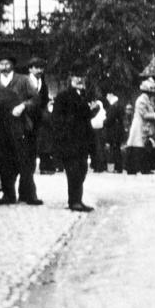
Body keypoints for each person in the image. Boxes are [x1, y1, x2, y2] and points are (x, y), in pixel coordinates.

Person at [0, 56, 46, 205]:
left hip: (20, 125)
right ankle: (8, 195)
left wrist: (23, 106)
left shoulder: (23, 80)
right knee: (4, 162)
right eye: (1, 63)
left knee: (24, 161)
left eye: (7, 63)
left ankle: (28, 195)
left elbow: (36, 99)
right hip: (0, 127)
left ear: (12, 65)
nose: (4, 66)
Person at [51, 65, 104, 212]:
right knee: (73, 172)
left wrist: (92, 111)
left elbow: (86, 117)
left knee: (82, 169)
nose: (79, 80)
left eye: (81, 77)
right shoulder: (63, 96)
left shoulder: (85, 95)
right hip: (70, 140)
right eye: (76, 77)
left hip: (83, 140)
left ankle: (77, 199)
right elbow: (56, 119)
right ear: (70, 78)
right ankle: (74, 201)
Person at [125, 78, 155, 174]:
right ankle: (136, 168)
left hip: (144, 126)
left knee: (144, 147)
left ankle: (144, 168)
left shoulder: (148, 100)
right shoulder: (141, 100)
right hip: (139, 126)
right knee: (138, 146)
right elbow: (144, 114)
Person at [101, 91, 128, 173]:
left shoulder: (113, 107)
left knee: (114, 149)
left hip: (114, 132)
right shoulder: (119, 106)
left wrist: (104, 122)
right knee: (117, 149)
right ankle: (118, 167)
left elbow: (109, 119)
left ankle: (117, 167)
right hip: (119, 130)